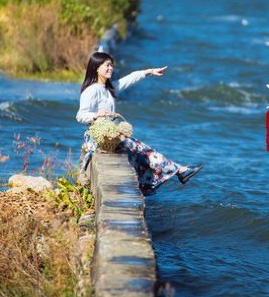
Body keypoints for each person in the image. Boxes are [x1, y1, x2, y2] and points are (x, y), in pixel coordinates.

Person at [77, 51, 204, 195]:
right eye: (107, 65)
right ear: (96, 68)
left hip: (112, 137)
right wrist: (96, 115)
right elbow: (80, 115)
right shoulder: (91, 90)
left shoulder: (109, 88)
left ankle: (154, 183)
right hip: (98, 139)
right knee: (143, 150)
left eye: (112, 65)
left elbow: (130, 78)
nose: (111, 68)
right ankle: (180, 171)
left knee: (140, 154)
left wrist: (150, 71)